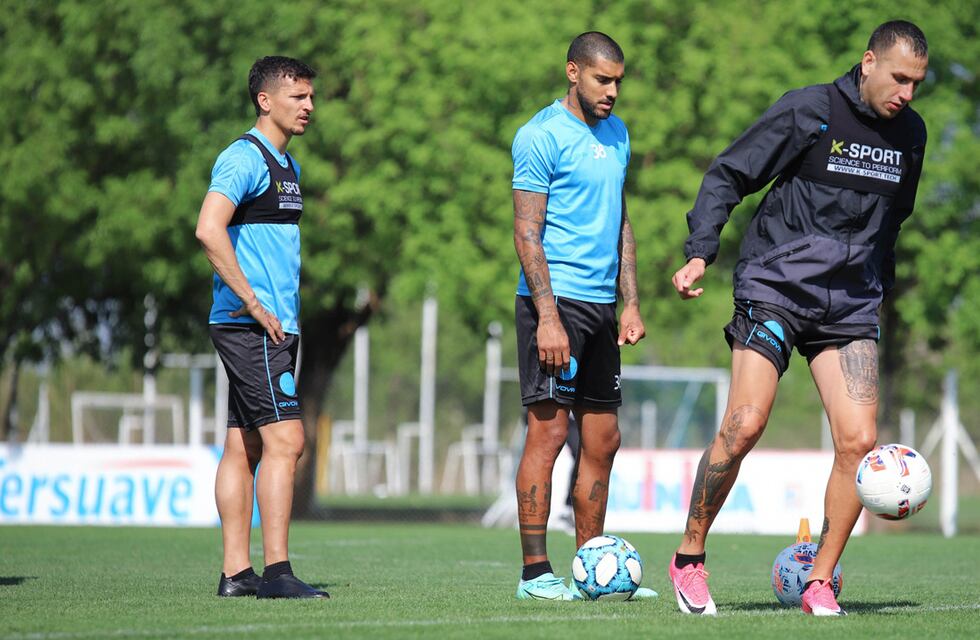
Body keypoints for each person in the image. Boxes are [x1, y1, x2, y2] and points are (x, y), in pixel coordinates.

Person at [666, 21, 928, 616]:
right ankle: (688, 558)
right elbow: (728, 173)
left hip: (850, 305)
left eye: (917, 82)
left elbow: (897, 216)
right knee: (746, 424)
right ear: (868, 62)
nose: (907, 93)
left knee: (859, 442)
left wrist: (875, 287)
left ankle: (820, 580)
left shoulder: (912, 135)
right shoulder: (809, 110)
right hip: (776, 287)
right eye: (899, 78)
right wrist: (700, 250)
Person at [511, 32, 654, 601]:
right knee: (547, 435)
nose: (613, 91)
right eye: (603, 79)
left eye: (619, 80)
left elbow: (620, 221)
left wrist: (632, 301)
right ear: (573, 72)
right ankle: (534, 575)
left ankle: (590, 565)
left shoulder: (617, 134)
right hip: (556, 304)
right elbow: (526, 231)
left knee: (604, 439)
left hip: (601, 307)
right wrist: (548, 316)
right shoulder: (540, 135)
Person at [195, 56, 327, 599]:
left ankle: (235, 573)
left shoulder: (286, 165)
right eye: (299, 97)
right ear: (265, 100)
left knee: (244, 444)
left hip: (274, 325)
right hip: (252, 325)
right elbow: (208, 228)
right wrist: (251, 303)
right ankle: (277, 573)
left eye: (311, 97)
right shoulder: (242, 158)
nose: (310, 107)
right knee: (287, 440)